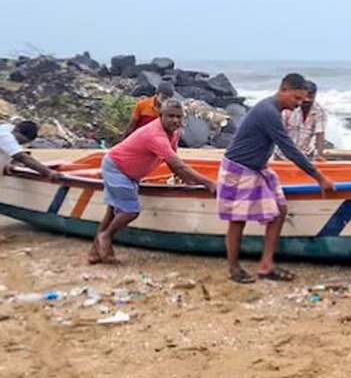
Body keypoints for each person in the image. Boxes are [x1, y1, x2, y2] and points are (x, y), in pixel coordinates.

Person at [218, 73, 335, 284]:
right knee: (237, 222)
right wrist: (319, 178)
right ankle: (233, 269)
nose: (299, 104)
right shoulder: (268, 111)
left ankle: (266, 264)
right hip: (239, 169)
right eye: (296, 99)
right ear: (284, 90)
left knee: (280, 210)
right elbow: (290, 149)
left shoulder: (276, 110)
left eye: (302, 100)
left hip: (258, 168)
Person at [89, 99, 216, 264]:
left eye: (179, 117)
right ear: (160, 116)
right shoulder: (155, 135)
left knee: (113, 211)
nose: (175, 121)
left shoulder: (174, 132)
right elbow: (178, 164)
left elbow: (173, 158)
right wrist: (209, 183)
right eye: (170, 116)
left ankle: (94, 252)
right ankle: (105, 236)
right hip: (117, 168)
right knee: (130, 211)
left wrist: (182, 178)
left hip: (128, 171)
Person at [274, 80, 328, 161]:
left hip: (306, 155)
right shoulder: (288, 107)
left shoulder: (320, 111)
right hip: (283, 155)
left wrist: (320, 155)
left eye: (311, 97)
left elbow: (320, 133)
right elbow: (279, 132)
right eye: (305, 97)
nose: (307, 100)